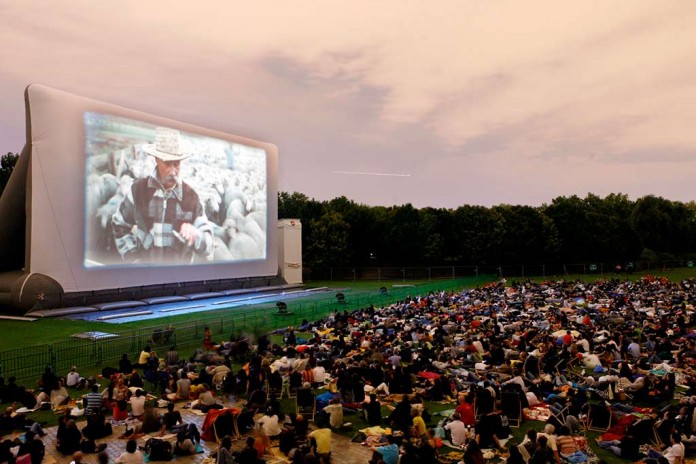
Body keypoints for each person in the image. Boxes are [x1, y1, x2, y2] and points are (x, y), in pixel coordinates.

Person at [112, 126, 213, 264]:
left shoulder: (192, 198)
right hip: (145, 278)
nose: (173, 171)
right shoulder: (138, 191)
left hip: (178, 279)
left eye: (176, 164)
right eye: (167, 163)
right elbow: (119, 225)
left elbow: (208, 246)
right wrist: (133, 259)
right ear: (156, 159)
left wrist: (196, 236)